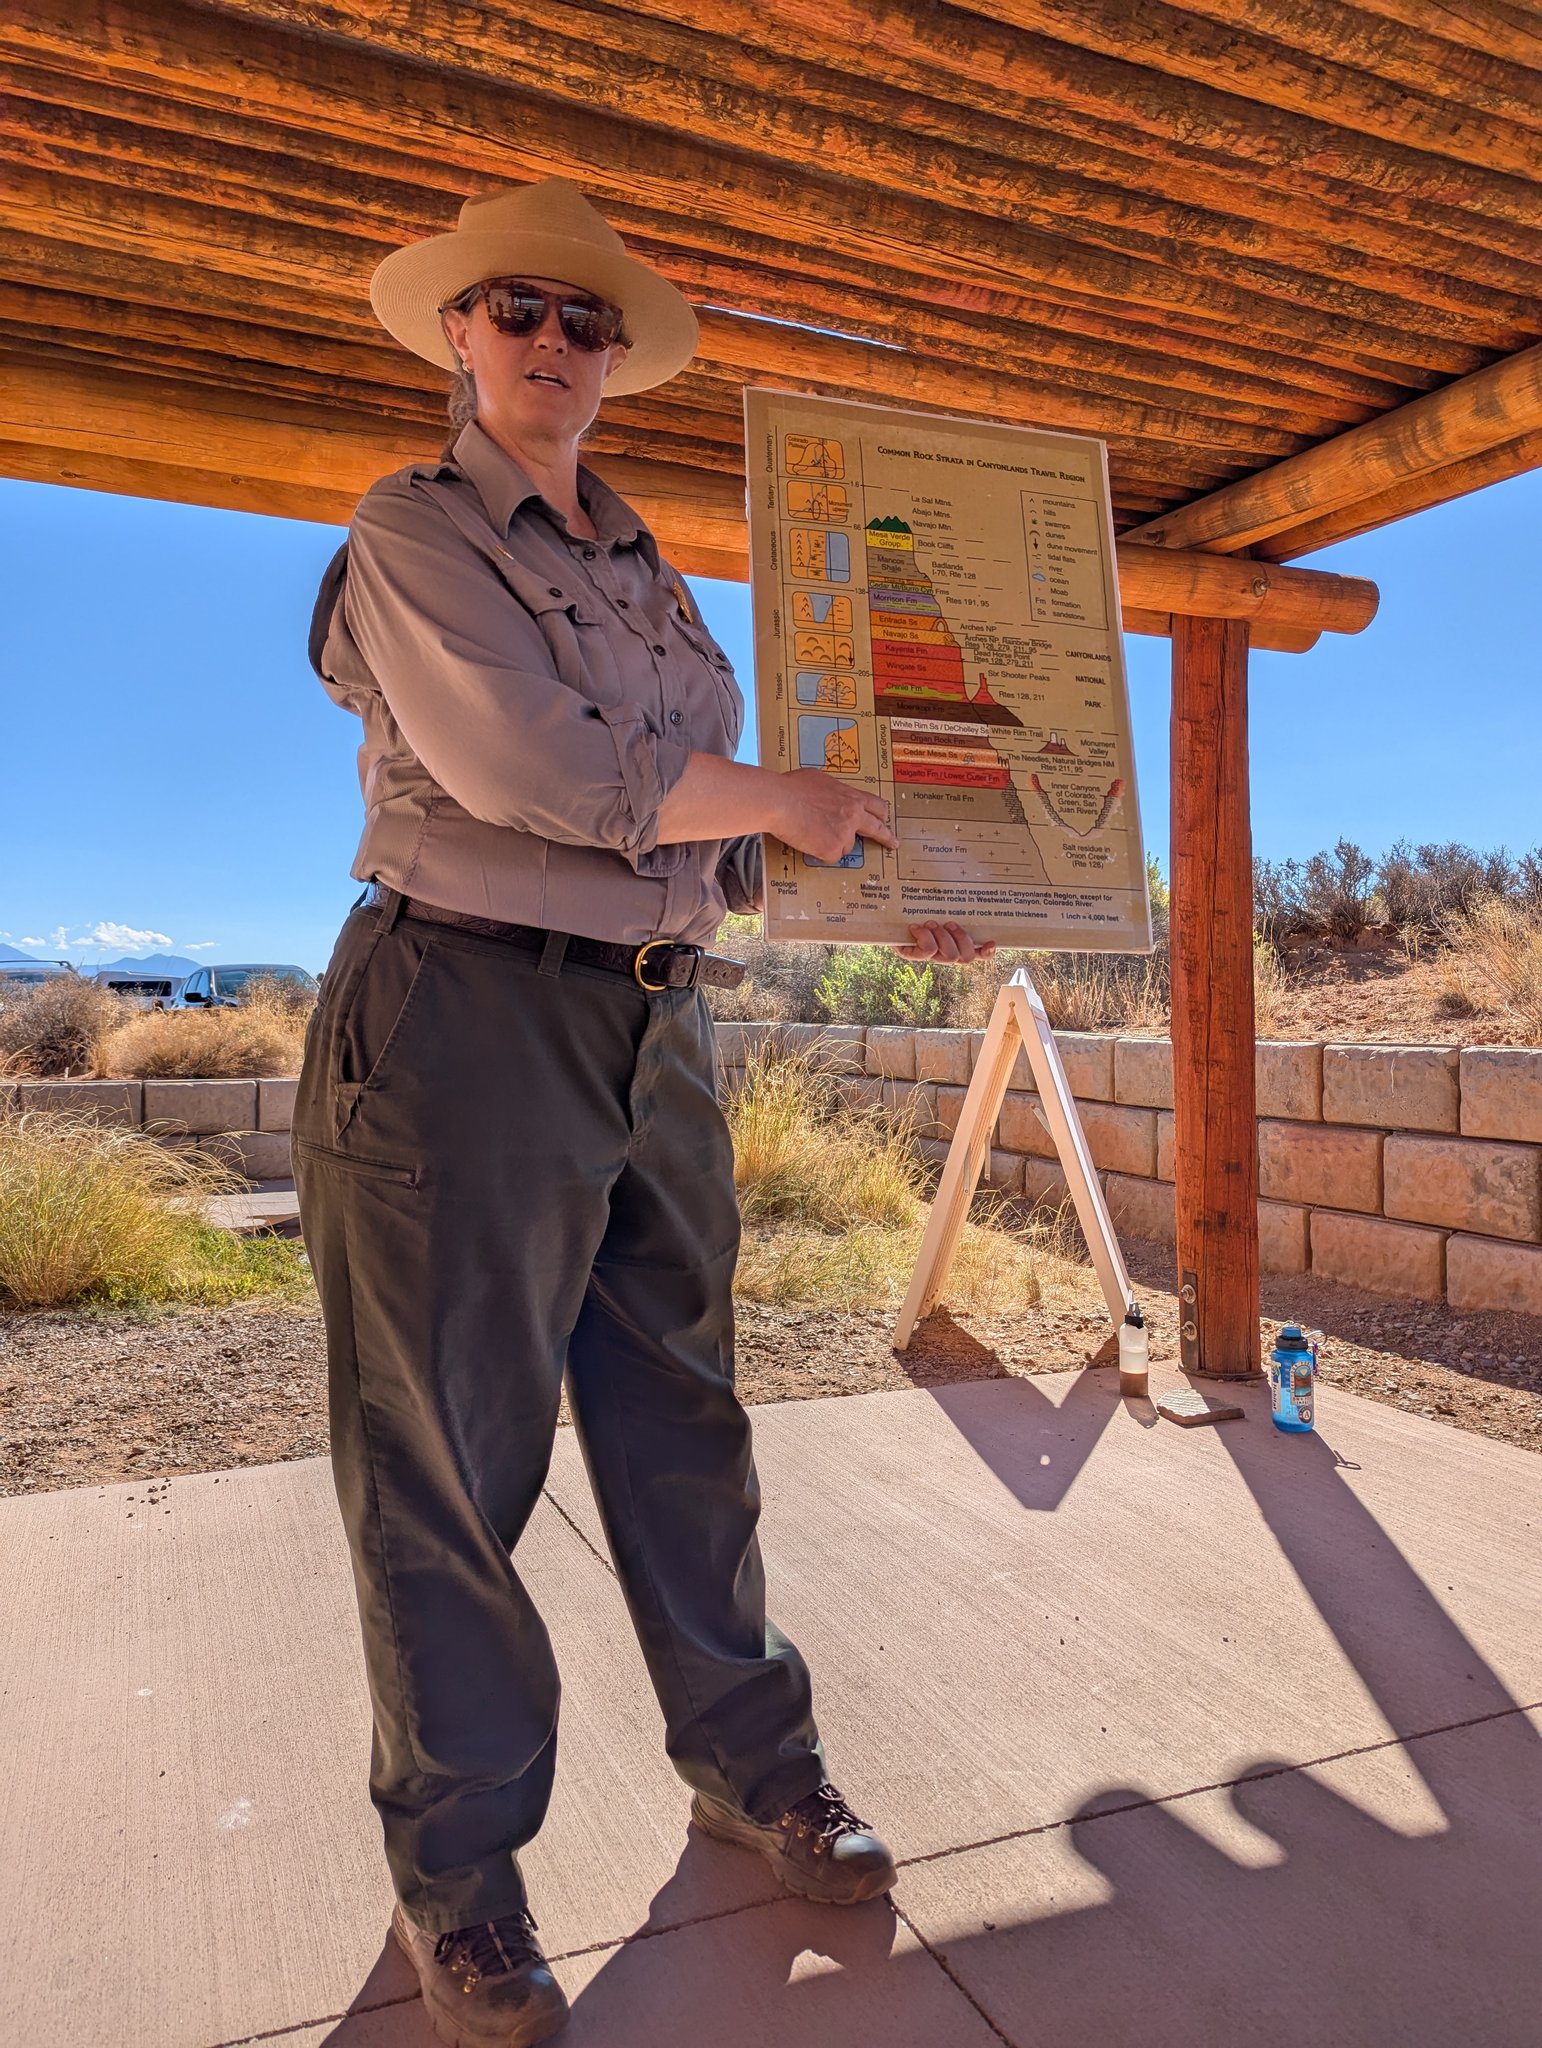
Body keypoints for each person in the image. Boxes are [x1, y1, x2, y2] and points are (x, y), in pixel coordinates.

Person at [296, 178, 993, 2048]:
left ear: (612, 360)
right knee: (450, 1465)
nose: (551, 342)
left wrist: (835, 858)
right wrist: (770, 793)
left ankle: (753, 1765)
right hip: (460, 1010)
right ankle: (463, 1883)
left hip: (653, 1023)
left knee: (683, 1417)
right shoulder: (408, 527)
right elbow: (521, 764)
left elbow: (712, 829)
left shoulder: (650, 566)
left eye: (583, 323)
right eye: (515, 311)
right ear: (459, 334)